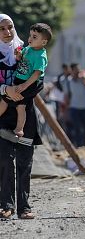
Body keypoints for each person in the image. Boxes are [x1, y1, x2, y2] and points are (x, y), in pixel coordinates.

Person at [0, 14, 42, 219]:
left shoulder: (26, 52)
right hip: (2, 115)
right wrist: (6, 92)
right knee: (5, 161)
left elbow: (39, 79)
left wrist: (19, 93)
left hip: (25, 115)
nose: (7, 32)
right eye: (2, 29)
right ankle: (6, 205)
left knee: (25, 161)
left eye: (10, 27)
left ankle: (24, 207)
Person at [0, 23, 51, 137]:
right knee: (5, 100)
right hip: (19, 80)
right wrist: (18, 55)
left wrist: (25, 86)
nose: (30, 39)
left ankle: (19, 129)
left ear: (43, 42)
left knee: (21, 106)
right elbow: (20, 58)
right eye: (30, 35)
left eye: (34, 37)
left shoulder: (41, 56)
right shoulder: (28, 49)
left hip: (29, 84)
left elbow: (37, 74)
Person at [64, 63, 85, 147]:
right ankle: (79, 146)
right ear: (72, 71)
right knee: (77, 128)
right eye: (75, 70)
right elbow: (67, 96)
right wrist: (66, 110)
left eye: (78, 70)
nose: (77, 72)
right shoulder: (68, 81)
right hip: (74, 108)